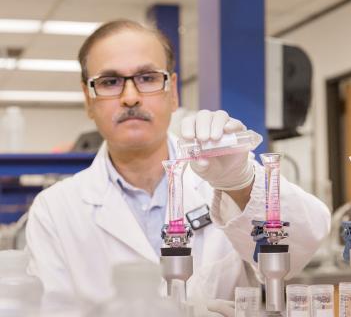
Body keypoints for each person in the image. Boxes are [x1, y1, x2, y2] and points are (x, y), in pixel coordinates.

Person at [25, 19, 331, 307]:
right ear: (88, 98)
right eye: (110, 81)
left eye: (147, 78)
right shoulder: (54, 210)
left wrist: (241, 184)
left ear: (173, 92)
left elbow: (300, 249)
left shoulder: (221, 176)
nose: (130, 97)